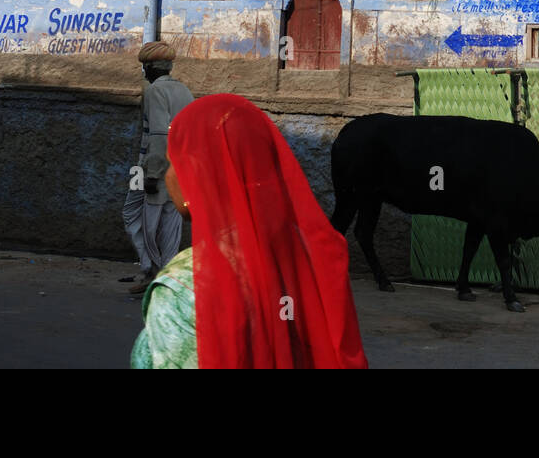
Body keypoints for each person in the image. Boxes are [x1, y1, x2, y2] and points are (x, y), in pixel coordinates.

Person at [131, 94, 368, 369]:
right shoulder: (315, 253)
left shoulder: (185, 286)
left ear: (198, 173)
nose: (168, 175)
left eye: (174, 162)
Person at [122, 41, 194, 295]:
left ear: (151, 68)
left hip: (154, 167)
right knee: (170, 223)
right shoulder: (184, 91)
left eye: (145, 67)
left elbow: (159, 135)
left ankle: (152, 271)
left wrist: (152, 173)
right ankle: (164, 276)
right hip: (179, 167)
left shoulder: (154, 91)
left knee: (138, 216)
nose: (144, 72)